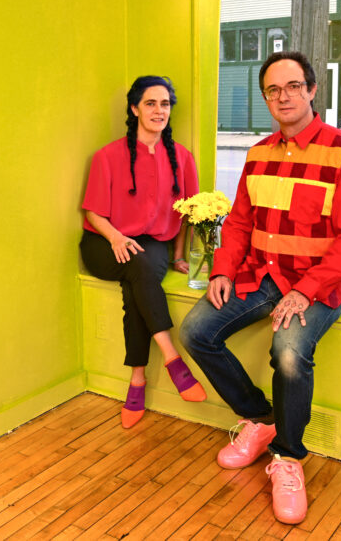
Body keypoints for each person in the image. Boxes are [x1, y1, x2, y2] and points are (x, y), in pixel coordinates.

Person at [180, 52, 341, 524]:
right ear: (266, 97)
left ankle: (288, 457)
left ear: (311, 90)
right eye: (272, 90)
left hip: (316, 285)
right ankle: (262, 420)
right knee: (195, 331)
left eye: (292, 86)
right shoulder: (258, 154)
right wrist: (223, 268)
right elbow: (242, 222)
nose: (282, 96)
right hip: (263, 276)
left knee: (288, 352)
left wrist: (306, 290)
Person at [80, 75, 207, 428]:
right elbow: (91, 210)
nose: (158, 110)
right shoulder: (107, 156)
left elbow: (188, 214)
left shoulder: (182, 157)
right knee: (139, 268)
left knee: (138, 280)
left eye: (164, 104)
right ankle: (171, 357)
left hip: (149, 245)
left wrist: (179, 256)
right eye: (150, 103)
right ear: (135, 109)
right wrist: (116, 237)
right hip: (103, 241)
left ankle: (137, 379)